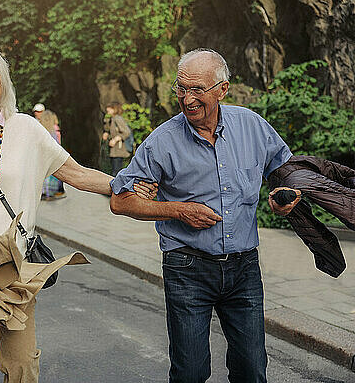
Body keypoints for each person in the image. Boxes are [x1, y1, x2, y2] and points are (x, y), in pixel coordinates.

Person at [0, 43, 156, 383]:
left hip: (14, 270)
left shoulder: (26, 129)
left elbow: (77, 174)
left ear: (4, 78)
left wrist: (124, 185)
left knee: (23, 364)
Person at [109, 48, 300, 383]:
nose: (187, 99)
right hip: (188, 269)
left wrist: (284, 197)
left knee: (252, 369)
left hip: (244, 269)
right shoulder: (161, 141)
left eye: (197, 89)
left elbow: (286, 172)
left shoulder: (252, 125)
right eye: (181, 89)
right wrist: (177, 210)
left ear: (222, 90)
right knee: (190, 372)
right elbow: (120, 201)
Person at [35, 108, 66, 200]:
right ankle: (50, 193)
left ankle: (43, 193)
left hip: (41, 155)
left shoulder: (39, 128)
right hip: (52, 155)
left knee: (42, 175)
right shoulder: (54, 130)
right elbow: (57, 143)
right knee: (52, 175)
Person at [102, 102, 131, 176]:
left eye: (110, 108)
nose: (107, 110)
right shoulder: (112, 119)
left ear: (114, 109)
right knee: (114, 170)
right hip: (114, 150)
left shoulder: (118, 118)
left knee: (116, 172)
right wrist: (107, 134)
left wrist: (115, 140)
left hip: (119, 150)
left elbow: (127, 132)